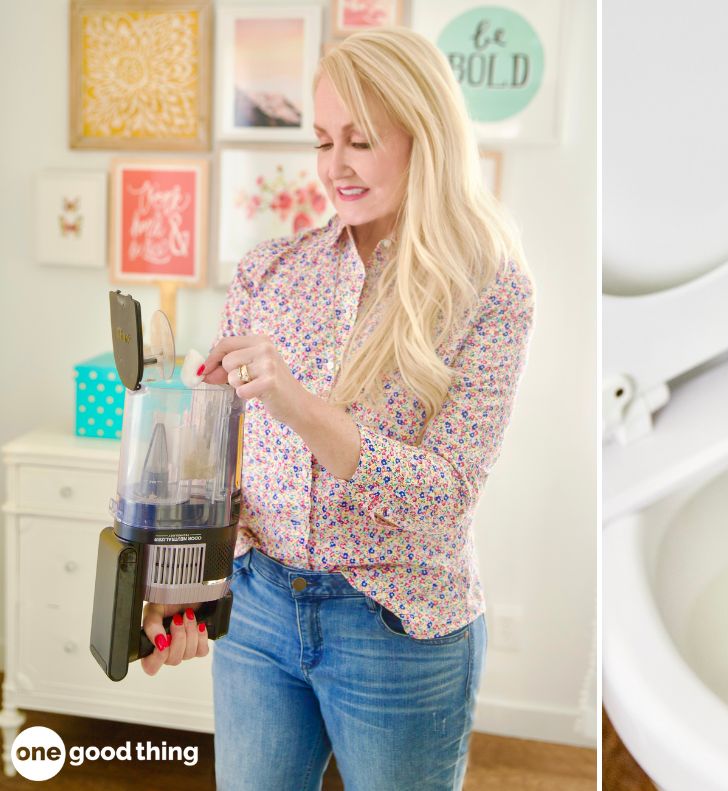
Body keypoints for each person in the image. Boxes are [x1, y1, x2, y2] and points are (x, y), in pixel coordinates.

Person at [137, 27, 534, 791]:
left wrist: (295, 403)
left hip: (399, 627)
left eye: (360, 139)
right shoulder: (270, 272)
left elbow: (443, 498)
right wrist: (176, 585)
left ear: (425, 137)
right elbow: (212, 459)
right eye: (323, 140)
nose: (335, 166)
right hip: (256, 612)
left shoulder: (491, 290)